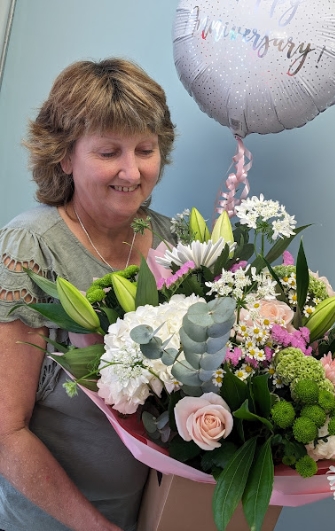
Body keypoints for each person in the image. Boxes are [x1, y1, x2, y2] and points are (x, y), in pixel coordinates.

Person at [0, 58, 176, 531]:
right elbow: (5, 431)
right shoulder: (31, 247)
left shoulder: (175, 242)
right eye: (107, 152)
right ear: (63, 156)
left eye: (145, 149)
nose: (131, 170)